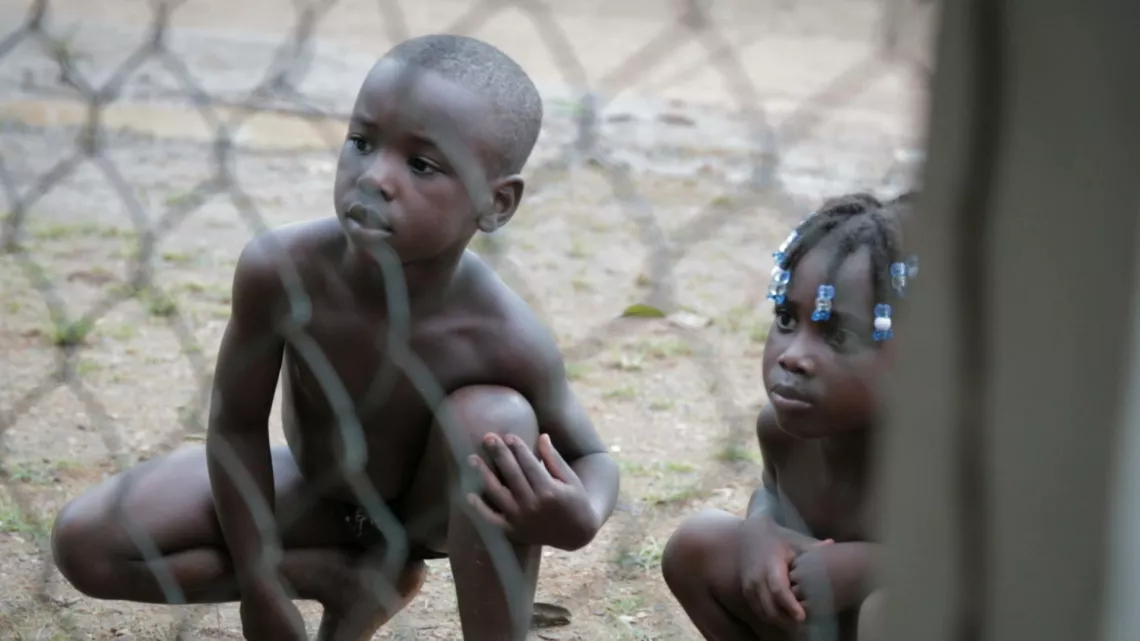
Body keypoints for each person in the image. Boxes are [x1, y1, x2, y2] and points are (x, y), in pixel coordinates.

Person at [49, 34, 620, 641]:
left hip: (434, 514)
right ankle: (346, 578)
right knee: (88, 543)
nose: (374, 178)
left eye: (422, 165)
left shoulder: (502, 333)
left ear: (496, 203)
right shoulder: (282, 270)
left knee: (496, 418)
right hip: (317, 492)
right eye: (362, 142)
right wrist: (262, 586)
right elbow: (237, 427)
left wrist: (582, 513)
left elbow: (593, 457)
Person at [660, 192, 917, 640]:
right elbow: (771, 493)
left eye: (839, 335)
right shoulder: (781, 432)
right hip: (821, 618)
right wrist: (761, 531)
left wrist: (870, 566)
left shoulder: (941, 458)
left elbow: (993, 565)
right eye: (785, 319)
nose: (793, 356)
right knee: (697, 545)